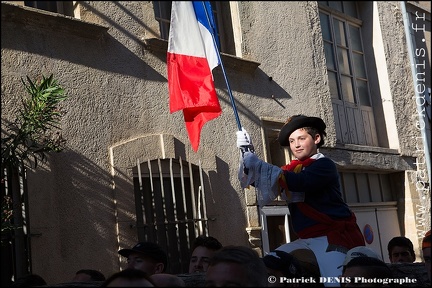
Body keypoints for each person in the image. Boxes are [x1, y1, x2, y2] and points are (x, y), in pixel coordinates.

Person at [237, 115, 365, 287]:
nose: (296, 144)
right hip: (305, 239)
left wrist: (259, 165)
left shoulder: (325, 165)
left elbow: (299, 182)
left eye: (301, 138)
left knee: (336, 284)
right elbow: (264, 181)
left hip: (331, 239)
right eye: (291, 141)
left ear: (317, 138)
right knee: (267, 265)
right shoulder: (291, 169)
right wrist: (246, 155)